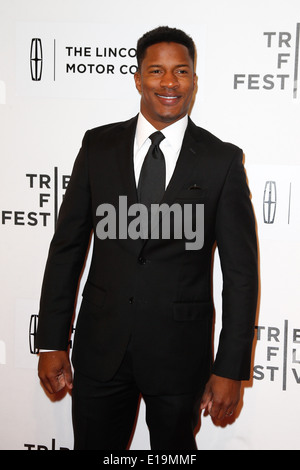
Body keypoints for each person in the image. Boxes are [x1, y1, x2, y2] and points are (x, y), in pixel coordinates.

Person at [36, 26, 258, 450]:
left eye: (182, 71)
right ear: (138, 78)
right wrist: (50, 341)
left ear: (194, 80)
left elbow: (241, 274)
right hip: (100, 349)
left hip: (180, 356)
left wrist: (231, 368)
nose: (169, 83)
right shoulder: (97, 146)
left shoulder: (221, 161)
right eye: (156, 70)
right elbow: (66, 249)